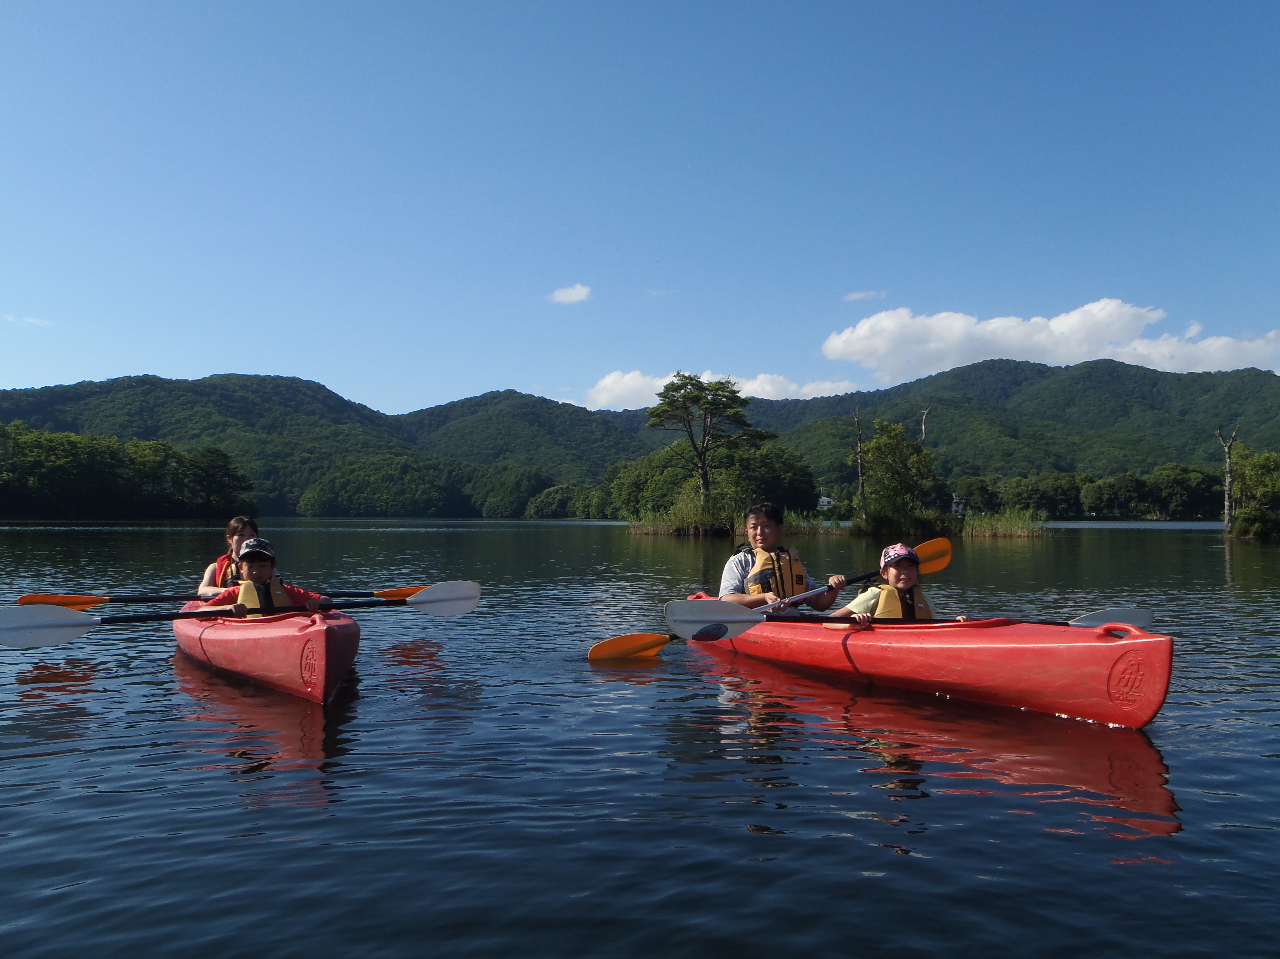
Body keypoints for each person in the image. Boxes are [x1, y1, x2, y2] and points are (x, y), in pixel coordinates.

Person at [718, 502, 847, 611]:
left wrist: (834, 588)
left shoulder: (789, 561)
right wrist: (763, 598)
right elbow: (726, 599)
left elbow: (818, 603)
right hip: (755, 621)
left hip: (791, 623)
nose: (759, 533)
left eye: (766, 526)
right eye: (754, 527)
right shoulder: (739, 561)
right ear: (747, 532)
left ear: (779, 529)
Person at [829, 542, 968, 625]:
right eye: (898, 566)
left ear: (917, 572)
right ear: (884, 573)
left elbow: (935, 630)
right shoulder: (874, 594)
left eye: (910, 567)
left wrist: (957, 623)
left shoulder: (925, 599)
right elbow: (831, 620)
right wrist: (852, 622)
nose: (905, 572)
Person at [201, 538, 330, 616]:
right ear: (241, 568)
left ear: (273, 566)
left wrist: (317, 602)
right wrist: (228, 607)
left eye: (262, 566)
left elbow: (327, 601)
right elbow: (201, 612)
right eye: (250, 567)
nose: (256, 572)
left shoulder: (286, 591)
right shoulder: (234, 593)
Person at [198, 516, 260, 598]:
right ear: (229, 539)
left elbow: (277, 587)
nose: (247, 540)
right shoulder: (214, 568)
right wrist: (234, 591)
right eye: (241, 535)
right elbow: (202, 590)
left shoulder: (265, 565)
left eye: (251, 535)